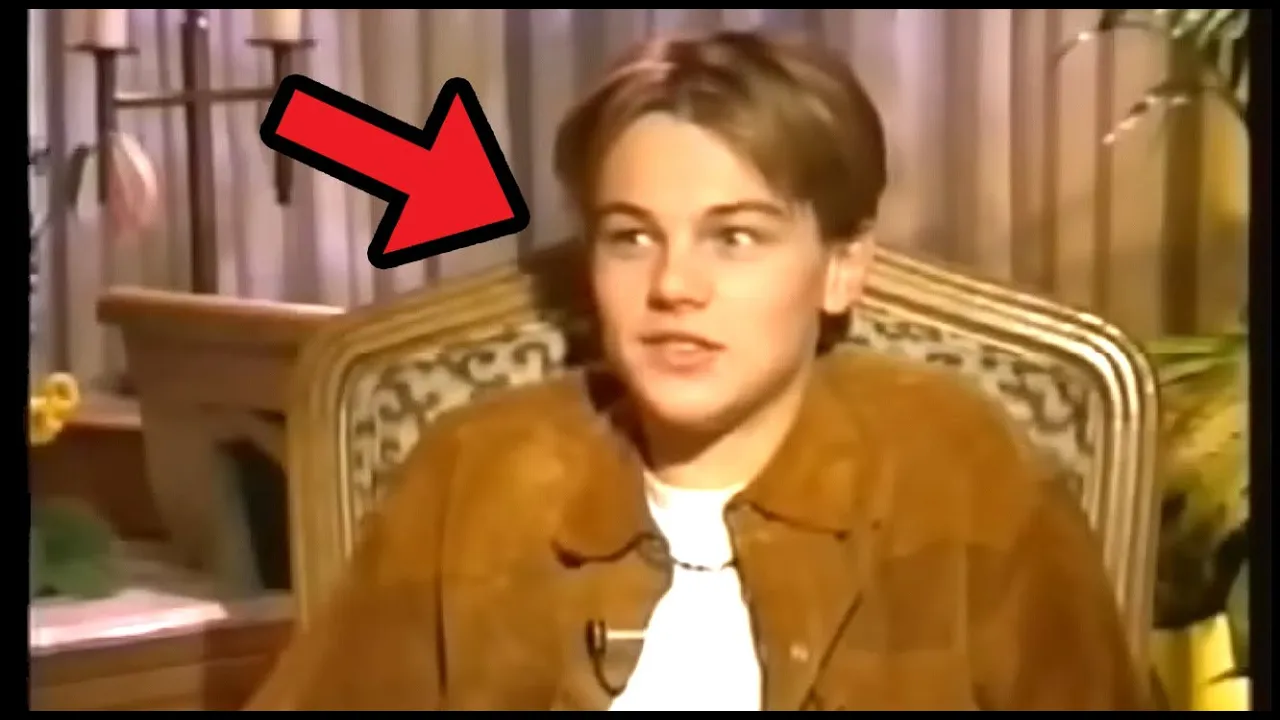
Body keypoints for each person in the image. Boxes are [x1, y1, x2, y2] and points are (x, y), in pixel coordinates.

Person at [247, 31, 1151, 711]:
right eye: (631, 237)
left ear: (842, 267)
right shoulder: (477, 477)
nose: (674, 286)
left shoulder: (962, 473)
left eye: (736, 237)